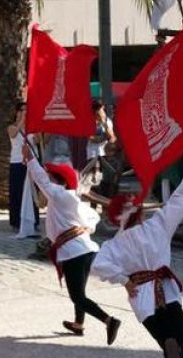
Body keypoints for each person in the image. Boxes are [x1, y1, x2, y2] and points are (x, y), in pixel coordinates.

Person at [90, 157, 183, 358]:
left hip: (143, 300)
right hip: (167, 291)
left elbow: (98, 265)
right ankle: (180, 348)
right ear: (139, 212)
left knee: (166, 346)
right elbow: (179, 201)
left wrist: (123, 279)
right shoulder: (158, 225)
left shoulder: (115, 244)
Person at [24, 144, 121, 344]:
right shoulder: (71, 199)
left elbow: (41, 180)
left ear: (57, 182)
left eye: (52, 177)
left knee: (77, 296)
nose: (48, 180)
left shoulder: (60, 196)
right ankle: (78, 324)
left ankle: (109, 320)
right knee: (80, 292)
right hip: (83, 249)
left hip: (74, 253)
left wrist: (30, 159)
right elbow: (93, 217)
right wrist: (85, 229)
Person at [7, 101, 39, 231]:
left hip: (31, 162)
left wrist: (34, 126)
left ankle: (34, 220)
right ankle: (17, 221)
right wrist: (22, 121)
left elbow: (37, 141)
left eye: (27, 110)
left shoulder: (32, 128)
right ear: (17, 112)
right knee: (18, 192)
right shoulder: (12, 127)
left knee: (32, 193)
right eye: (22, 110)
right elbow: (13, 134)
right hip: (17, 162)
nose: (25, 112)